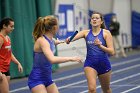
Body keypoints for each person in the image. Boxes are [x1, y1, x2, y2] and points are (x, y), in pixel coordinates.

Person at [28, 16, 82, 93]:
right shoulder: (43, 41)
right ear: (54, 28)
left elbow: (52, 42)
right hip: (37, 79)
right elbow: (52, 59)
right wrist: (71, 58)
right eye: (58, 25)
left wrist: (57, 43)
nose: (59, 27)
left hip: (48, 78)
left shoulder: (50, 39)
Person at [66, 12, 115, 93]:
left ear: (101, 21)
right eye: (92, 18)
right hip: (90, 64)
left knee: (106, 90)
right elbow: (71, 38)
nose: (94, 19)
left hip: (104, 64)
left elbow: (112, 52)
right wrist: (68, 39)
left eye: (97, 18)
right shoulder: (85, 32)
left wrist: (100, 46)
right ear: (90, 21)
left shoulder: (106, 33)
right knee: (92, 89)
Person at [0, 17, 23, 93]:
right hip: (1, 70)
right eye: (11, 26)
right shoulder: (1, 38)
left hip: (6, 69)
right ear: (4, 26)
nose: (13, 28)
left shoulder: (8, 38)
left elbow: (10, 54)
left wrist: (18, 63)